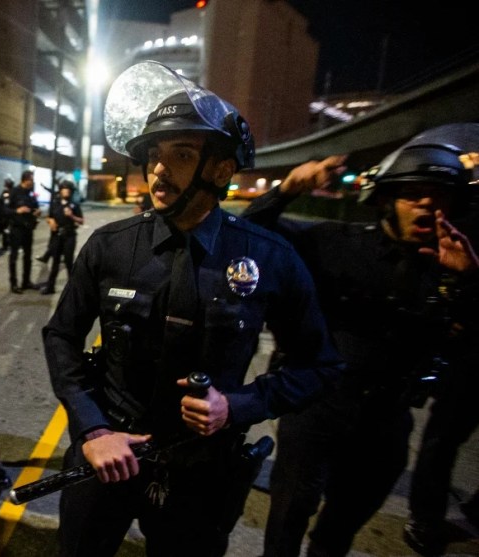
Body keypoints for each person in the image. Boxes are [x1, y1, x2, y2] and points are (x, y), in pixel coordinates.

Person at [41, 60, 343, 556]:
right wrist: (92, 428)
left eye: (180, 154)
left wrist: (238, 406)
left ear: (222, 169)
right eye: (155, 154)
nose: (159, 168)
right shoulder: (109, 246)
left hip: (203, 475)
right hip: (108, 457)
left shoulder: (269, 257)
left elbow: (320, 365)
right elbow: (61, 337)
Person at [239, 123, 479, 557]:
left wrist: (466, 284)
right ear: (387, 200)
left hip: (385, 424)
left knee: (337, 534)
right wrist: (288, 189)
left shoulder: (455, 267)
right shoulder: (334, 243)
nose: (427, 203)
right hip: (317, 411)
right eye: (413, 193)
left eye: (439, 195)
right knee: (287, 520)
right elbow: (246, 234)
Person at [39, 180, 83, 295]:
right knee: (55, 262)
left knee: (69, 263)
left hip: (69, 236)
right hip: (57, 236)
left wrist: (72, 216)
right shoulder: (55, 203)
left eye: (68, 189)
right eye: (64, 189)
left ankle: (73, 290)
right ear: (60, 190)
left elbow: (81, 220)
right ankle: (50, 286)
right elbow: (49, 217)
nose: (66, 191)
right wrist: (51, 221)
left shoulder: (74, 205)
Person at [6, 170, 41, 293]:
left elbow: (35, 207)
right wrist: (17, 211)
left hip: (28, 229)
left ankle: (26, 282)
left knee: (28, 257)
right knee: (14, 257)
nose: (32, 182)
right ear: (24, 180)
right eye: (30, 180)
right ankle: (14, 284)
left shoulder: (30, 193)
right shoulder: (14, 192)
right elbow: (5, 210)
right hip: (16, 229)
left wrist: (37, 211)